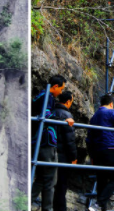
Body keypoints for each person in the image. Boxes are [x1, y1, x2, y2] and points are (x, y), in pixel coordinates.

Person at [32, 75, 74, 211]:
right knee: (50, 179)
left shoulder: (40, 96)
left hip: (38, 141)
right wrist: (63, 120)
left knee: (41, 178)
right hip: (46, 141)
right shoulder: (47, 97)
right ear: (55, 86)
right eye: (61, 89)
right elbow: (46, 115)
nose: (61, 92)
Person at [53, 91, 77, 211]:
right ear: (68, 101)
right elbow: (70, 139)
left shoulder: (52, 112)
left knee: (50, 184)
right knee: (61, 185)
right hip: (62, 156)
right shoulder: (67, 115)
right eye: (72, 101)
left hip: (51, 152)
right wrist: (73, 157)